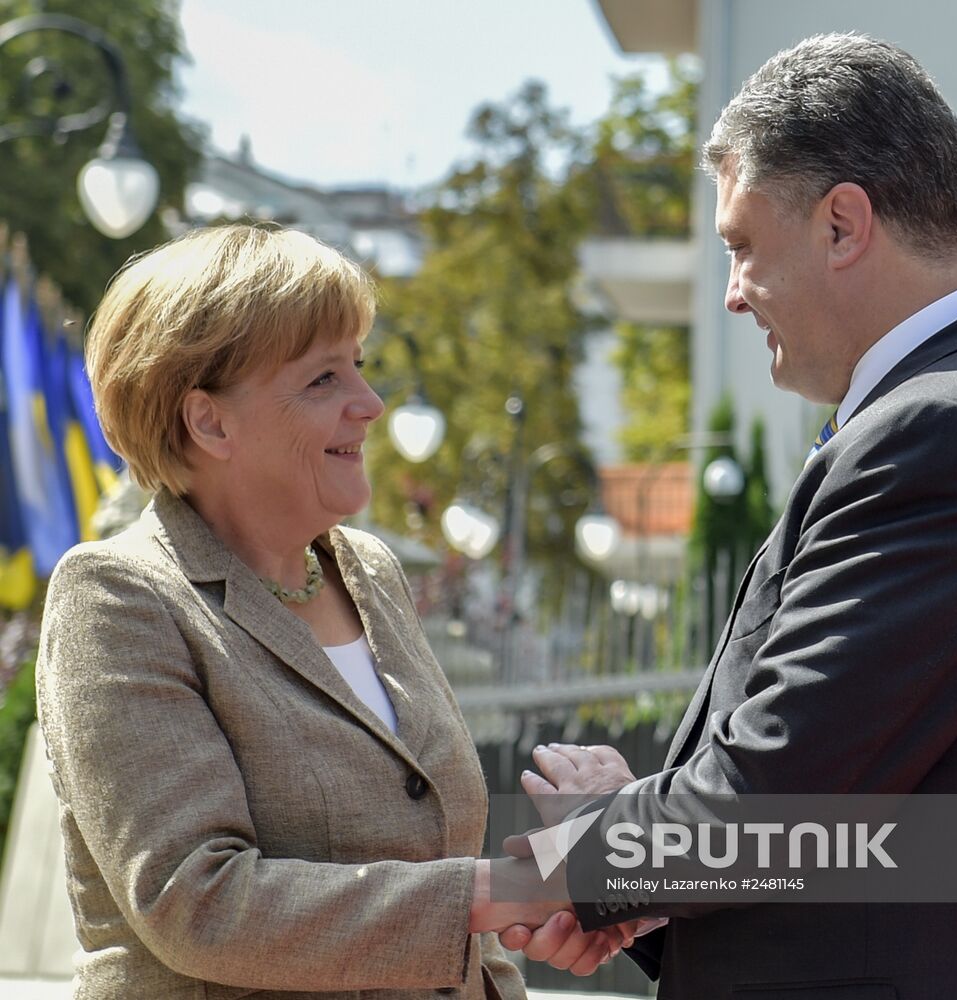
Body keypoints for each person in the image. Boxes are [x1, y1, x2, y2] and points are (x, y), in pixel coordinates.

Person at [496, 32, 957, 998]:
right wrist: (636, 893)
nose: (732, 293)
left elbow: (768, 803)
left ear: (843, 224)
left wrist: (598, 839)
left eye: (744, 246)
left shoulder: (948, 431)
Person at [36, 224, 595, 999]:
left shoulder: (370, 572)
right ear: (210, 421)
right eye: (323, 380)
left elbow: (441, 872)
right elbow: (198, 902)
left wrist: (542, 908)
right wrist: (505, 891)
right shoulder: (117, 595)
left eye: (358, 369)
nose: (368, 404)